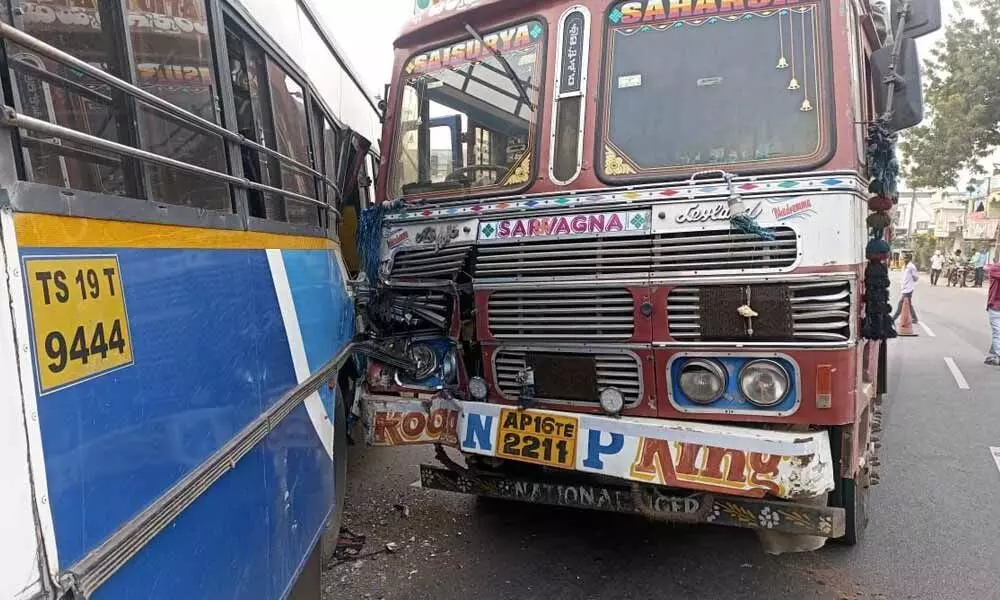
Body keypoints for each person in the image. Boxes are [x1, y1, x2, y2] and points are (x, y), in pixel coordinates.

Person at [893, 251, 919, 325]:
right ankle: (915, 318)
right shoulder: (905, 266)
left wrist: (912, 279)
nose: (905, 260)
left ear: (909, 259)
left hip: (908, 289)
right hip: (905, 288)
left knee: (901, 304)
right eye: (904, 258)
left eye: (906, 258)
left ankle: (893, 318)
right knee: (908, 304)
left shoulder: (911, 267)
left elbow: (916, 278)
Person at [984, 259, 1000, 366]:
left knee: (997, 332)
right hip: (995, 306)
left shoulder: (995, 269)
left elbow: (987, 267)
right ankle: (992, 354)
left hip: (996, 306)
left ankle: (997, 355)